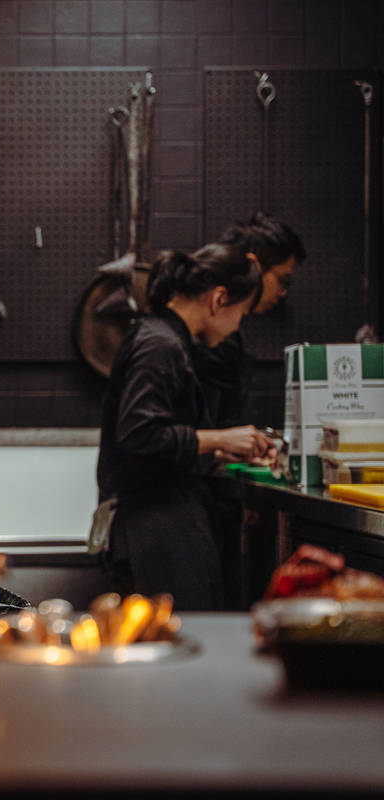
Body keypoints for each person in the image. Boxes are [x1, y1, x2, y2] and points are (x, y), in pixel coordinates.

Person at [96, 244, 274, 610]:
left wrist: (218, 448)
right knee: (179, 648)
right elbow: (139, 433)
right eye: (242, 314)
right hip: (157, 531)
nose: (239, 326)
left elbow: (162, 433)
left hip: (158, 526)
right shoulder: (160, 346)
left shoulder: (161, 336)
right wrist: (221, 437)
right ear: (219, 299)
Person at [195, 212, 307, 428]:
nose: (283, 292)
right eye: (282, 279)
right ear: (253, 266)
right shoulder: (211, 336)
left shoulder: (226, 334)